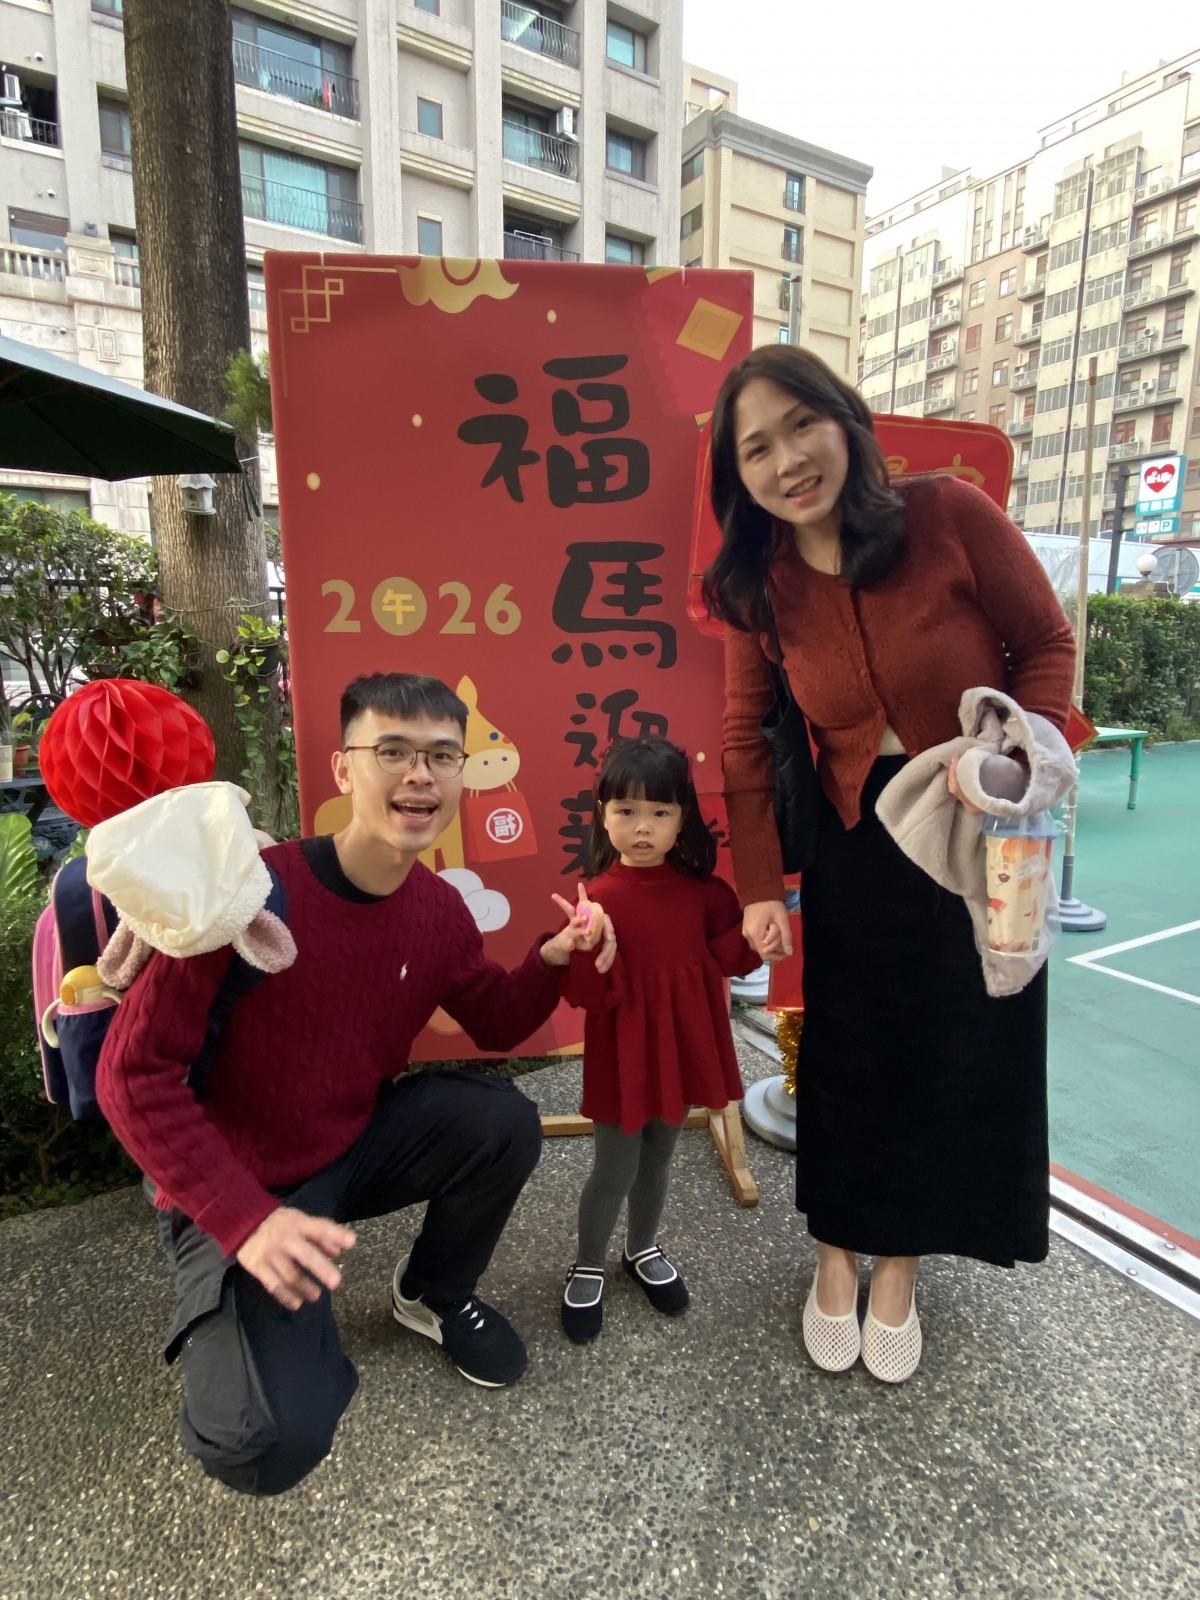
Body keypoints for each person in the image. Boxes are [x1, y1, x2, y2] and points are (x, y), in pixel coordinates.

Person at [96, 671, 613, 1495]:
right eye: (393, 751)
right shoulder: (244, 894)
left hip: (351, 1143)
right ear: (343, 769)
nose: (421, 775)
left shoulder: (438, 910)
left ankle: (432, 1293)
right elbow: (131, 1074)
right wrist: (245, 1219)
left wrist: (554, 956)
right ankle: (252, 1323)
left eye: (442, 756)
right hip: (242, 1181)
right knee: (264, 1444)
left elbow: (495, 1021)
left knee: (504, 1124)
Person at [703, 345, 1075, 1383]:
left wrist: (1014, 760)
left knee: (957, 1050)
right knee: (851, 1056)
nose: (787, 460)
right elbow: (743, 742)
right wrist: (761, 886)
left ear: (846, 422)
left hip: (984, 831)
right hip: (857, 840)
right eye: (756, 448)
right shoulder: (757, 583)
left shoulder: (947, 513)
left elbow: (1046, 642)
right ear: (739, 476)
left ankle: (900, 1266)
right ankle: (835, 1254)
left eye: (800, 426)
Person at [555, 736, 759, 1343]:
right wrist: (585, 945)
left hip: (682, 1047)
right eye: (626, 810)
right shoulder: (596, 901)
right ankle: (588, 1262)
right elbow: (587, 995)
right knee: (614, 1167)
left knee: (660, 1157)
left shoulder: (707, 894)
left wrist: (764, 932)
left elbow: (733, 956)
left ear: (682, 817)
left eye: (660, 811)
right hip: (622, 1056)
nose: (642, 827)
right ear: (602, 814)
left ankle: (641, 1247)